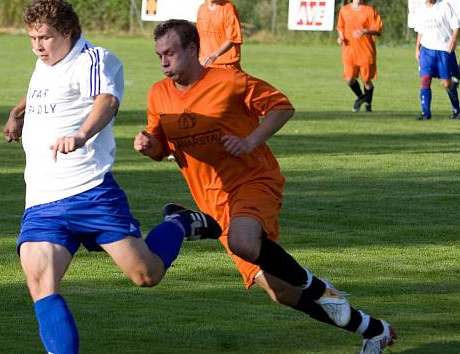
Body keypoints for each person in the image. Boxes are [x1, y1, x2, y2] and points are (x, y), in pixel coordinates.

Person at [134, 19, 397, 354]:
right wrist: (147, 146)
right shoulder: (158, 94)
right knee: (281, 292)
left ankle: (318, 288)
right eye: (159, 55)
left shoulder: (228, 81)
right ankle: (376, 331)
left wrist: (251, 140)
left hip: (252, 180)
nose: (164, 62)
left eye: (170, 53)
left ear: (191, 49)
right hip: (213, 202)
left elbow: (281, 106)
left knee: (244, 242)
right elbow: (161, 149)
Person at [2, 2, 222, 353]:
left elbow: (106, 101)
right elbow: (40, 92)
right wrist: (17, 113)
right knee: (41, 282)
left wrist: (81, 135)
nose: (37, 46)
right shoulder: (44, 61)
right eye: (32, 38)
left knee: (145, 275)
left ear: (68, 33)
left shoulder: (94, 59)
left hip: (88, 192)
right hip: (42, 199)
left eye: (45, 37)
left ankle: (179, 222)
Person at [415, 0, 460, 120]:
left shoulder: (444, 6)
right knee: (425, 79)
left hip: (443, 50)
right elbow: (420, 30)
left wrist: (454, 40)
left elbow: (456, 26)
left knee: (446, 84)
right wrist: (417, 48)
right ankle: (426, 113)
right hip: (426, 50)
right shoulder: (421, 8)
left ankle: (456, 109)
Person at [336, 0, 383, 112]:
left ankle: (368, 103)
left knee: (366, 80)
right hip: (349, 51)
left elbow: (378, 29)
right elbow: (340, 27)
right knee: (349, 79)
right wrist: (340, 37)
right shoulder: (344, 10)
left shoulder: (369, 10)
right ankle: (361, 97)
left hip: (366, 51)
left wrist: (365, 31)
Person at [196, 0, 243, 70]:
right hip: (205, 65)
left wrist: (215, 55)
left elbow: (233, 38)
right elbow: (200, 36)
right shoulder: (201, 9)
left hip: (226, 66)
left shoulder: (228, 8)